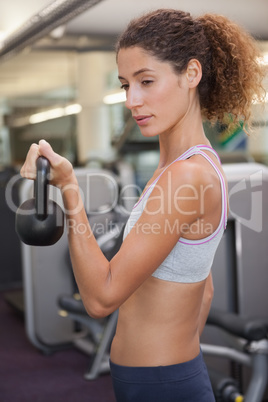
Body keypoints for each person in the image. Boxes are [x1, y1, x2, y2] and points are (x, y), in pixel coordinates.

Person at [21, 9, 265, 402]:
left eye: (147, 81)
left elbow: (101, 300)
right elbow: (203, 288)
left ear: (191, 74)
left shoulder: (184, 178)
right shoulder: (193, 165)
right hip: (164, 376)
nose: (132, 100)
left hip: (162, 383)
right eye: (124, 85)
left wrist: (69, 189)